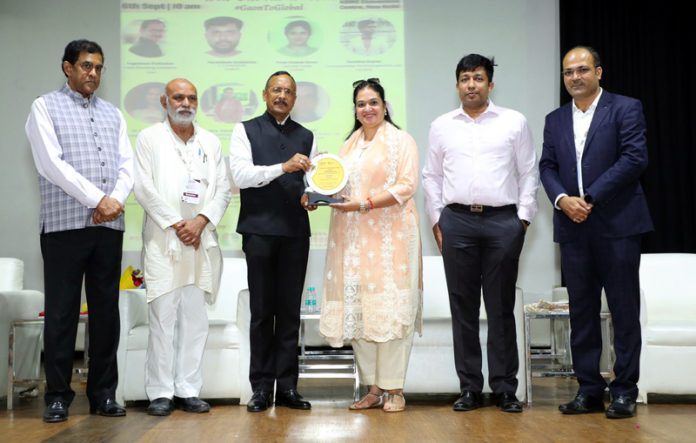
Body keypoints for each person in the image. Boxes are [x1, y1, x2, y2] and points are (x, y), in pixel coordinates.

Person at [539, 46, 653, 419]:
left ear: (599, 72)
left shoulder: (625, 107)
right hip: (573, 229)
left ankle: (624, 391)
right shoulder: (554, 119)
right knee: (582, 314)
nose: (575, 77)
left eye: (582, 69)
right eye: (568, 72)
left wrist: (589, 198)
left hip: (618, 226)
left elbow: (635, 158)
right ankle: (589, 389)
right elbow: (548, 166)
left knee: (623, 310)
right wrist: (561, 200)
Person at [422, 54, 539, 413]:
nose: (470, 85)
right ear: (456, 85)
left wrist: (522, 220)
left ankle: (505, 389)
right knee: (464, 308)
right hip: (457, 222)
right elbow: (432, 176)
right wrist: (438, 219)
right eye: (464, 79)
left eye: (477, 78)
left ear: (490, 83)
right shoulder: (442, 125)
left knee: (502, 308)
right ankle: (470, 388)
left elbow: (529, 172)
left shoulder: (513, 122)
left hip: (503, 222)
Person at [25, 39, 133, 423]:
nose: (93, 74)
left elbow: (127, 166)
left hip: (109, 226)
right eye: (86, 66)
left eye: (99, 67)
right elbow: (51, 165)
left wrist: (115, 200)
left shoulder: (113, 113)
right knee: (62, 313)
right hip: (64, 227)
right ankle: (57, 395)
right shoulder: (44, 107)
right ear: (67, 67)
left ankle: (103, 393)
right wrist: (97, 199)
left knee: (106, 313)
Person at [319, 78, 422, 413]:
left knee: (389, 311)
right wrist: (318, 195)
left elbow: (407, 185)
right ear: (355, 109)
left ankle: (395, 389)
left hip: (391, 238)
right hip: (352, 240)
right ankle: (373, 389)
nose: (367, 109)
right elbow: (338, 186)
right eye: (361, 104)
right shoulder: (349, 144)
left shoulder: (401, 140)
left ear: (385, 105)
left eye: (373, 102)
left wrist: (364, 204)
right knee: (361, 312)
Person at [134, 78, 232, 416]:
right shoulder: (149, 138)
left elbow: (222, 189)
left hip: (200, 241)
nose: (185, 103)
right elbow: (143, 188)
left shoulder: (210, 140)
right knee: (162, 318)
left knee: (195, 318)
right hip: (165, 242)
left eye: (191, 97)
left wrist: (200, 221)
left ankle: (188, 388)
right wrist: (177, 224)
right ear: (165, 100)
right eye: (178, 97)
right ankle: (160, 391)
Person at [229, 71, 316, 412]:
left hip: (296, 232)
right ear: (264, 94)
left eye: (289, 92)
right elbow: (241, 175)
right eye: (276, 90)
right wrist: (282, 167)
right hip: (259, 232)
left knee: (290, 314)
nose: (282, 95)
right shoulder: (244, 130)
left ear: (295, 99)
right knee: (262, 313)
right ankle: (261, 388)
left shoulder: (307, 136)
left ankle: (288, 388)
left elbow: (312, 182)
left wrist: (314, 196)